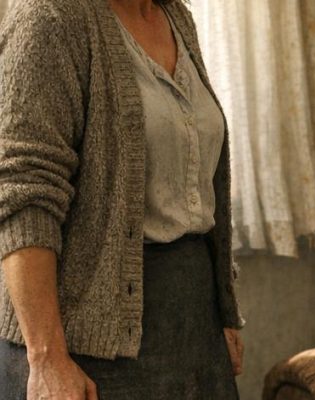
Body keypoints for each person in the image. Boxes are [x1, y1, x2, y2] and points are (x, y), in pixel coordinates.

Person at [0, 0, 244, 399]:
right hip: (87, 346)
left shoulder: (175, 16)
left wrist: (222, 314)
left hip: (193, 322)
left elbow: (195, 188)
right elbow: (23, 196)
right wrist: (47, 358)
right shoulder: (49, 17)